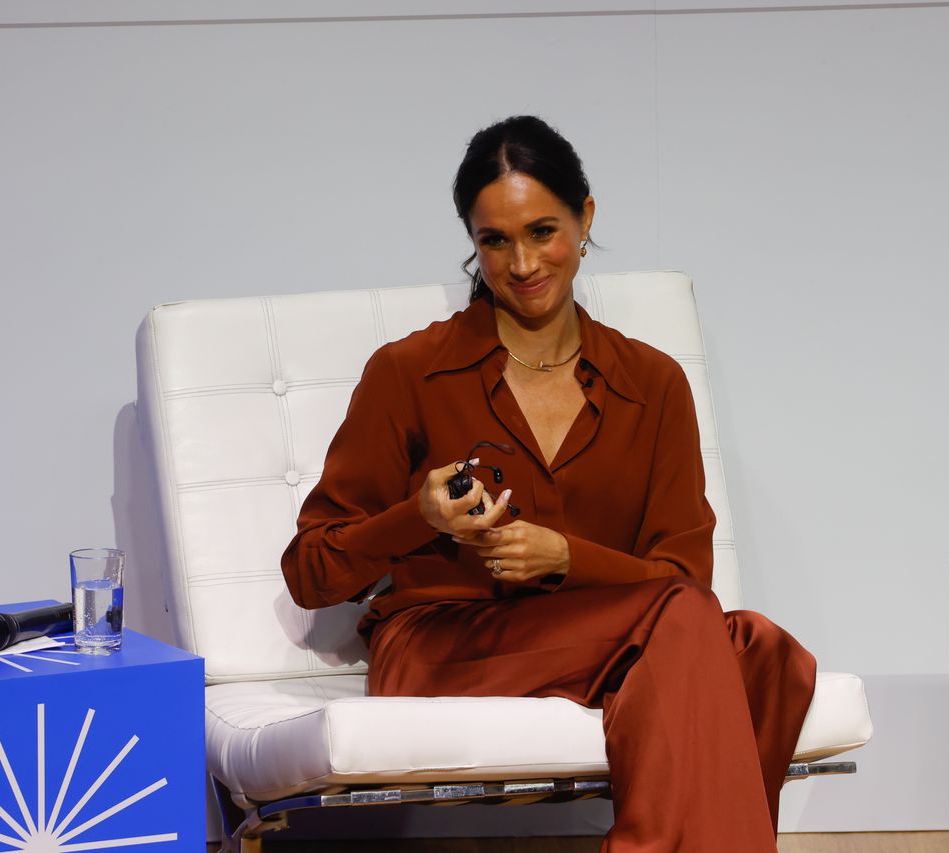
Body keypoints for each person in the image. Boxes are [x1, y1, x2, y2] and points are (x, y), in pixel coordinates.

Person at [281, 115, 816, 852]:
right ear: (472, 240)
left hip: (607, 637)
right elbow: (310, 572)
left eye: (542, 231)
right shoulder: (409, 372)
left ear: (585, 218)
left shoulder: (651, 383)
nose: (522, 262)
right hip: (441, 644)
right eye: (494, 240)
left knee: (761, 648)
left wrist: (568, 558)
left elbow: (684, 577)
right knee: (711, 632)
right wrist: (419, 517)